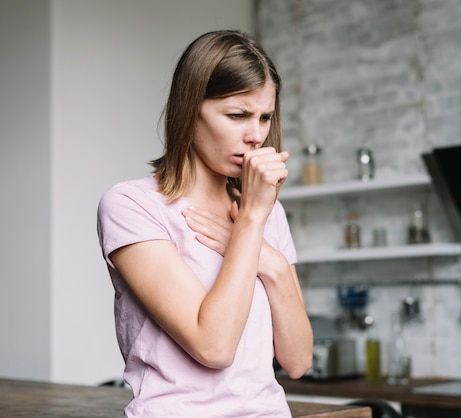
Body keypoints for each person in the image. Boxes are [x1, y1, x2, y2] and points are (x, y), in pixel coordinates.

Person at [97, 30, 313, 417]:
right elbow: (214, 347)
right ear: (189, 109)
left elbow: (298, 361)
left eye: (265, 117)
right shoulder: (132, 206)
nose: (256, 135)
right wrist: (248, 221)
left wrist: (274, 264)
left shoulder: (267, 211)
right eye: (237, 115)